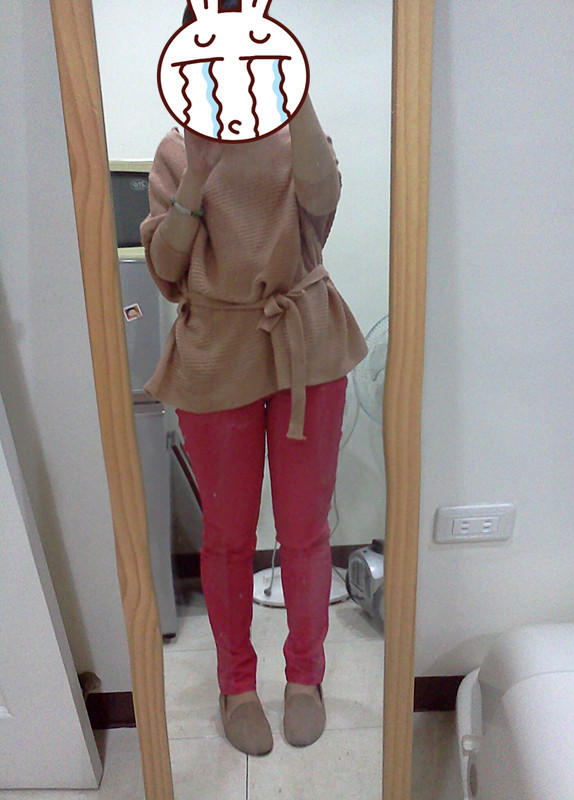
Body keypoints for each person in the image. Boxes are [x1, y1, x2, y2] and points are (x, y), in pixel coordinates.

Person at [140, 3, 367, 756]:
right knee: (229, 536)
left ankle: (306, 678)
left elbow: (324, 201)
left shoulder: (297, 130)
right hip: (216, 353)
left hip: (306, 346)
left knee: (305, 531)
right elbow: (166, 268)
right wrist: (196, 177)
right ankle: (236, 685)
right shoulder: (175, 149)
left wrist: (293, 96)